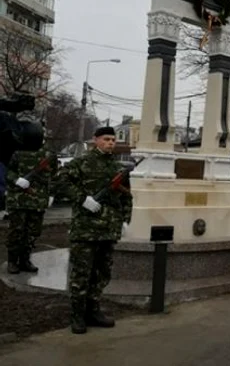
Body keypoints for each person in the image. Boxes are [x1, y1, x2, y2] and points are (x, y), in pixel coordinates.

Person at [61, 127, 133, 334]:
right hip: (85, 230)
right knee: (81, 274)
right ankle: (77, 316)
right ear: (95, 140)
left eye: (113, 140)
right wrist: (83, 199)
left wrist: (126, 220)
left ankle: (93, 311)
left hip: (108, 229)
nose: (110, 143)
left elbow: (126, 196)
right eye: (106, 139)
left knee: (101, 274)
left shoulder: (118, 167)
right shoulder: (81, 163)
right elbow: (60, 182)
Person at [4, 148, 58, 274]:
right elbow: (8, 172)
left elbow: (54, 176)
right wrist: (16, 180)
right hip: (19, 200)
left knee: (33, 232)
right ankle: (12, 261)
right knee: (16, 231)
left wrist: (52, 194)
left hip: (38, 200)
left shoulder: (50, 154)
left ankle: (25, 260)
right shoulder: (17, 152)